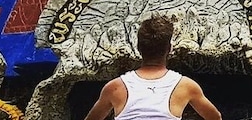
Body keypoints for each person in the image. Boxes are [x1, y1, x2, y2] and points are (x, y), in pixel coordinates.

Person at [82, 17, 222, 120]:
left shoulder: (114, 88)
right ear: (170, 49)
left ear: (138, 48)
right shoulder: (186, 86)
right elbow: (215, 117)